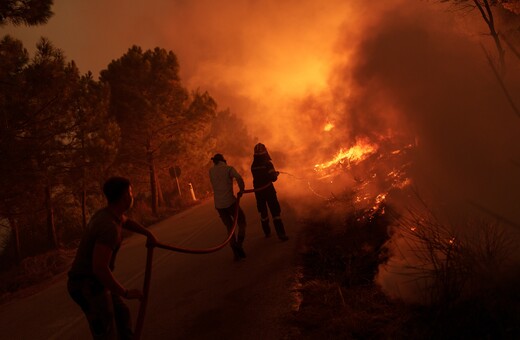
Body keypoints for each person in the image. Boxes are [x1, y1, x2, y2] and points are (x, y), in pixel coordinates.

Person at [67, 176, 158, 339]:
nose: (132, 195)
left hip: (95, 282)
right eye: (131, 191)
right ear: (124, 196)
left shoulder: (108, 214)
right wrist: (126, 292)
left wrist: (147, 233)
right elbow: (100, 268)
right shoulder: (109, 227)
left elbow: (126, 222)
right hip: (87, 285)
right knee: (106, 330)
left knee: (121, 314)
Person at [209, 153, 247, 261]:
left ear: (215, 162)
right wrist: (242, 190)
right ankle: (239, 245)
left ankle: (235, 254)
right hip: (230, 202)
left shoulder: (211, 171)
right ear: (223, 160)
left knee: (230, 229)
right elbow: (239, 178)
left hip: (219, 205)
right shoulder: (228, 169)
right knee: (242, 221)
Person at [251, 143, 289, 241]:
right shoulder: (267, 163)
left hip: (258, 193)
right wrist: (275, 174)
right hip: (268, 191)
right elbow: (273, 178)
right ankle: (281, 235)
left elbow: (258, 177)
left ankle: (267, 232)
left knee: (263, 213)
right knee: (275, 212)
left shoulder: (253, 164)